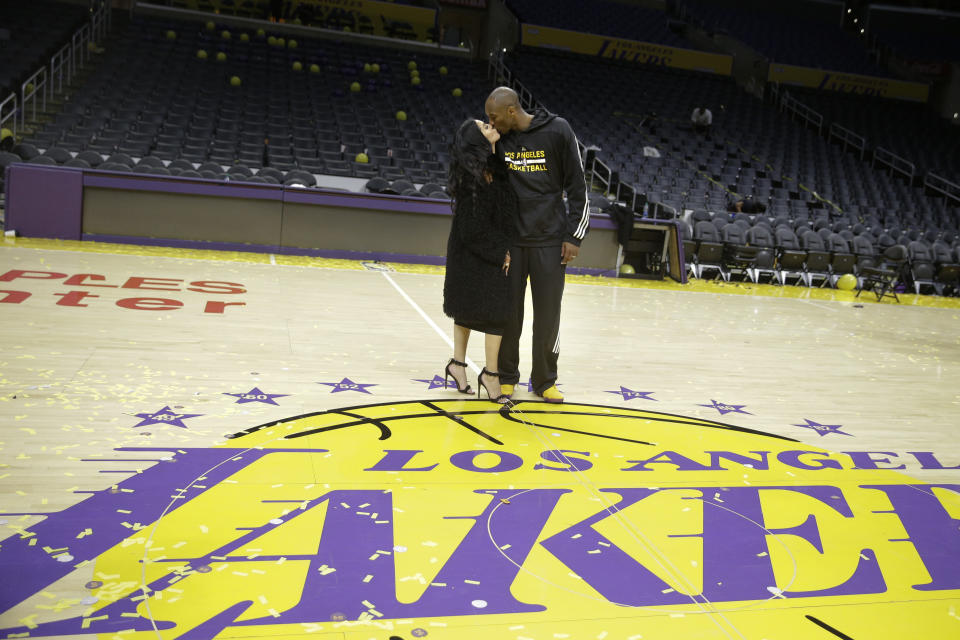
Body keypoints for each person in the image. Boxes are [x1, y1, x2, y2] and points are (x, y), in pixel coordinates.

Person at [484, 86, 588, 404]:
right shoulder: (497, 140)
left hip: (550, 242)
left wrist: (574, 236)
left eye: (494, 116)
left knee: (547, 317)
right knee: (508, 315)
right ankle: (506, 377)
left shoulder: (558, 130)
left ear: (512, 111)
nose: (490, 123)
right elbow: (487, 184)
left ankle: (545, 381)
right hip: (511, 243)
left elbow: (578, 184)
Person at [442, 118, 516, 404]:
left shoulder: (495, 167)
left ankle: (463, 367)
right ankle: (485, 374)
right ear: (477, 141)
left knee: (487, 313)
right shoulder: (468, 176)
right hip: (471, 250)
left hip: (489, 246)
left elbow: (506, 210)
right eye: (484, 127)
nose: (490, 125)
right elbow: (470, 229)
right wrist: (500, 252)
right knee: (477, 311)